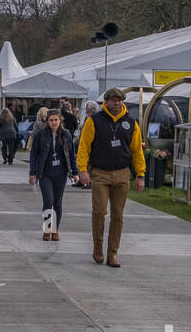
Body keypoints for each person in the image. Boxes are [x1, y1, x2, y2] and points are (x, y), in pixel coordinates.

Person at [77, 86, 146, 267]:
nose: (117, 103)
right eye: (114, 100)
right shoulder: (94, 121)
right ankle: (98, 248)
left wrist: (140, 174)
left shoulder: (131, 123)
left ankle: (113, 253)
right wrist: (83, 170)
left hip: (122, 173)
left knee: (118, 216)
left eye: (120, 100)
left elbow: (137, 150)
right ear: (106, 102)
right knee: (100, 212)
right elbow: (84, 146)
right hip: (100, 173)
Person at [29, 109, 77, 241]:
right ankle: (47, 228)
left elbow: (71, 155)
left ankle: (55, 229)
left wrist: (75, 172)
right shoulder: (40, 135)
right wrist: (32, 173)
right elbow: (33, 154)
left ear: (60, 120)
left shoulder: (66, 135)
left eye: (56, 120)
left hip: (60, 173)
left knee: (57, 202)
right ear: (47, 121)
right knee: (48, 201)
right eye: (51, 120)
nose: (54, 122)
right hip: (45, 172)